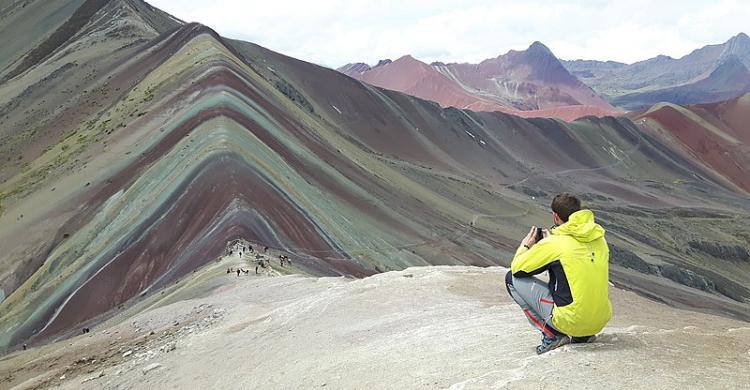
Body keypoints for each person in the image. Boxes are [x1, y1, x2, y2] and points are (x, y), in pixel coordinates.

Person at [505, 193, 612, 354]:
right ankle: (583, 336)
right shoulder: (599, 239)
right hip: (598, 321)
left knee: (510, 279)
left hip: (572, 320)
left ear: (555, 216)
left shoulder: (555, 243)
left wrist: (526, 246)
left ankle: (552, 335)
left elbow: (518, 269)